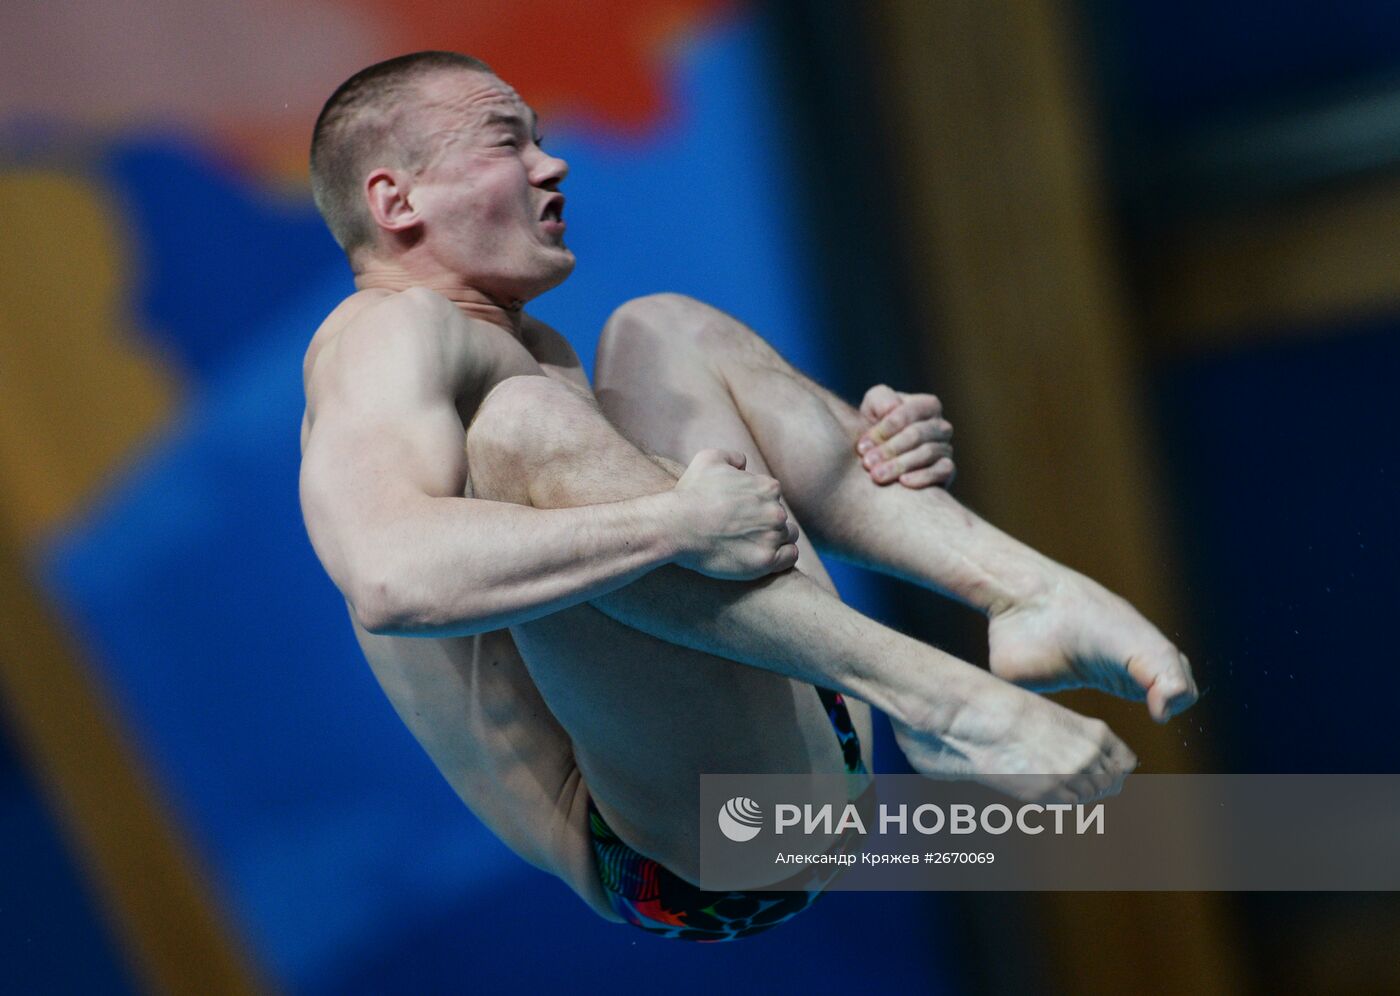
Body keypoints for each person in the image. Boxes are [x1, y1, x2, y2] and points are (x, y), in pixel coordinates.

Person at [298, 51, 1197, 940]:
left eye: (540, 138)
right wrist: (669, 523)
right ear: (396, 201)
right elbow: (390, 579)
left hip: (796, 738)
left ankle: (1023, 592)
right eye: (507, 143)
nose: (552, 162)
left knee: (662, 327)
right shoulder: (381, 336)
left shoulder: (523, 344)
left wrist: (867, 436)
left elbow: (719, 535)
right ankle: (948, 703)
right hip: (686, 849)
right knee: (523, 424)